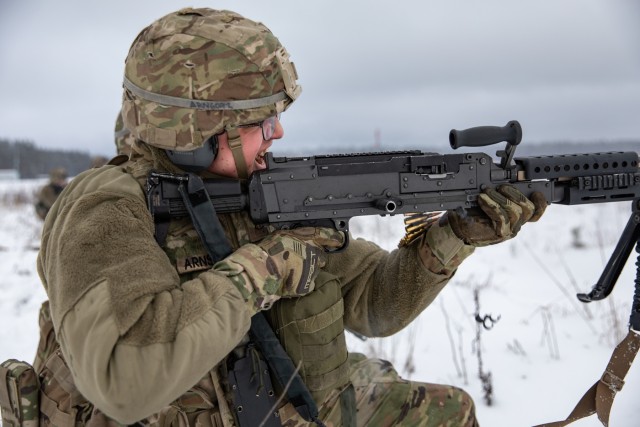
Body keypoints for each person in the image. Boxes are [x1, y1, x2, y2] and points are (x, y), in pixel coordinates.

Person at [34, 8, 546, 426]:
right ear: (200, 130)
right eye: (262, 121)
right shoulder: (105, 211)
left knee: (451, 413)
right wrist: (265, 270)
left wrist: (454, 236)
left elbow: (373, 304)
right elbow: (124, 380)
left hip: (298, 404)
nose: (277, 134)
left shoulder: (263, 188)